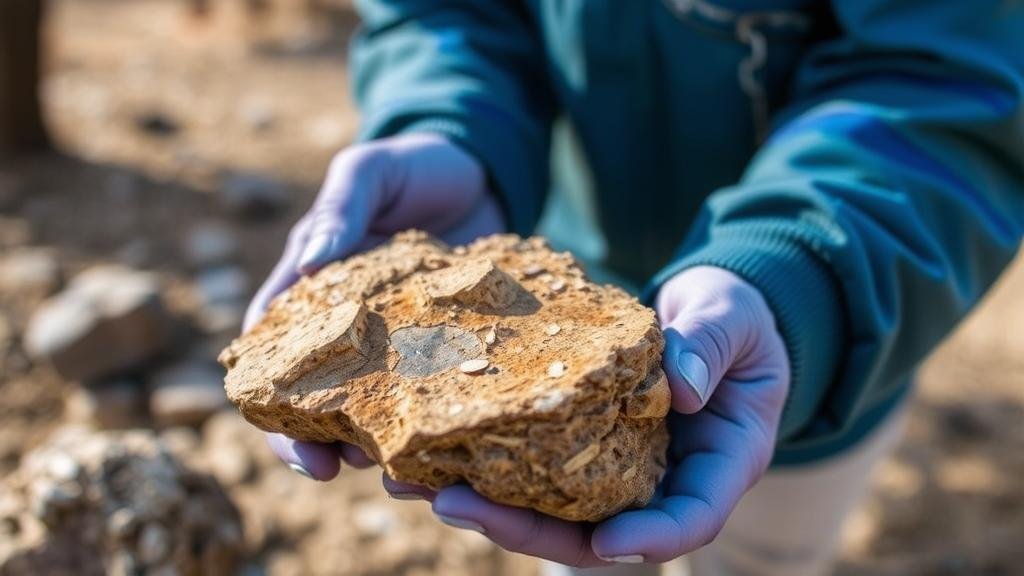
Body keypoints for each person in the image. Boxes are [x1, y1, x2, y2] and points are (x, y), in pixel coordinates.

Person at [243, 1, 1024, 574]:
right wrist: (451, 124)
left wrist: (799, 275)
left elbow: (945, 88)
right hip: (557, 288)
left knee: (772, 554)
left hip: (819, 337)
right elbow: (447, 14)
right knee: (583, 550)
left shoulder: (812, 308)